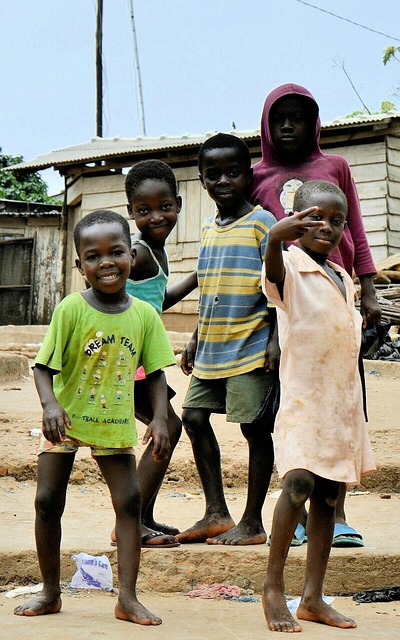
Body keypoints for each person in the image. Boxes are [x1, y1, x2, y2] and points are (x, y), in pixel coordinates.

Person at [14, 209, 177, 625]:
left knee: (129, 503)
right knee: (47, 502)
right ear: (80, 265)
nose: (106, 262)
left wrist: (160, 418)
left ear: (132, 256)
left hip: (113, 423)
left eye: (116, 252)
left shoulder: (143, 314)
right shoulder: (71, 308)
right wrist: (50, 405)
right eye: (93, 256)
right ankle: (50, 592)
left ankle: (127, 598)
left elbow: (156, 373)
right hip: (64, 422)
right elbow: (42, 367)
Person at [250, 82, 381, 547]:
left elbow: (356, 228)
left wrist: (368, 288)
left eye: (299, 117)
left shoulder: (335, 166)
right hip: (286, 290)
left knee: (342, 398)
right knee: (295, 403)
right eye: (279, 118)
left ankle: (337, 511)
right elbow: (255, 241)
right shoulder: (257, 175)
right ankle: (297, 513)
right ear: (266, 125)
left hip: (336, 293)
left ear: (315, 123)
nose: (288, 126)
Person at [262, 180, 376, 632]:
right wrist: (275, 240)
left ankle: (312, 597)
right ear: (295, 220)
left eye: (336, 221)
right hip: (304, 399)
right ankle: (273, 589)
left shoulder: (343, 277)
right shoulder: (289, 264)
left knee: (330, 495)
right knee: (298, 484)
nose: (326, 227)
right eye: (315, 218)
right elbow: (273, 276)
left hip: (340, 404)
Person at [176, 133, 278, 546]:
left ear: (248, 176)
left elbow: (277, 286)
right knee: (193, 417)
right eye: (213, 174)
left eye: (232, 172)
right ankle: (216, 511)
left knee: (254, 428)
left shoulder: (262, 223)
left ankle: (252, 522)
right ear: (202, 180)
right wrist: (195, 337)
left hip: (251, 344)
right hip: (212, 346)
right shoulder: (207, 229)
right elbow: (209, 287)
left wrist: (275, 340)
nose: (223, 181)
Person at [109, 160, 197, 548]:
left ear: (178, 204)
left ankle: (142, 517)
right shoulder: (138, 253)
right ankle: (129, 523)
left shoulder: (156, 252)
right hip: (126, 362)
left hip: (141, 362)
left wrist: (199, 276)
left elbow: (159, 299)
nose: (156, 217)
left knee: (169, 429)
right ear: (131, 212)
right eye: (144, 210)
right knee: (169, 428)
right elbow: (107, 285)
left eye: (165, 207)